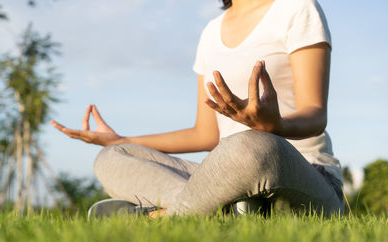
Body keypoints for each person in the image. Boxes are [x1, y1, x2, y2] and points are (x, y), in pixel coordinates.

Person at [51, 0, 344, 218]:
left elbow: (315, 113)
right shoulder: (211, 31)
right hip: (226, 171)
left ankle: (161, 218)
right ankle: (226, 206)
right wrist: (120, 140)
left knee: (253, 145)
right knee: (112, 157)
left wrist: (275, 126)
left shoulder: (296, 8)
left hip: (300, 172)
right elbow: (205, 135)